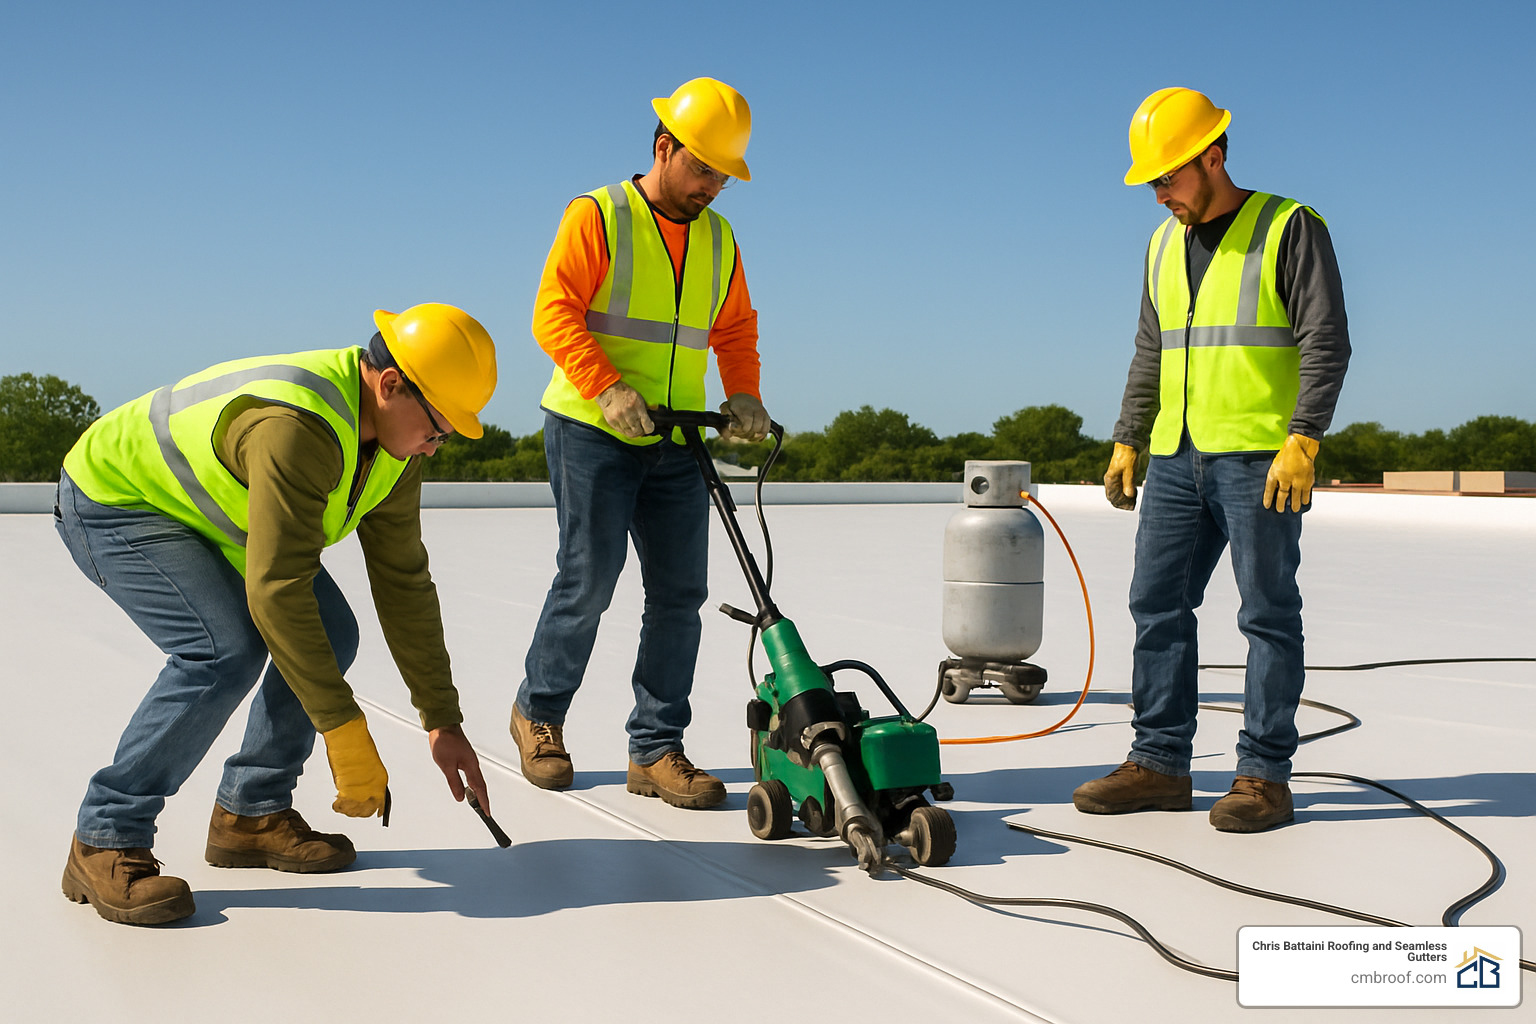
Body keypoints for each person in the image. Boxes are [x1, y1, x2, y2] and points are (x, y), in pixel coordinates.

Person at [56, 303, 500, 924]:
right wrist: (344, 730)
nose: (438, 444)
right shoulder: (297, 426)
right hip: (118, 500)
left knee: (332, 631)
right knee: (223, 649)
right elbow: (277, 592)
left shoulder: (397, 447)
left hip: (211, 516)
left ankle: (251, 814)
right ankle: (105, 834)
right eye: (439, 427)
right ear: (392, 385)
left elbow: (403, 582)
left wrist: (442, 718)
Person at [1072, 88, 1351, 833]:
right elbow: (1150, 348)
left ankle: (1264, 776)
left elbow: (1327, 341)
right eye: (1153, 183)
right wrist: (1130, 434)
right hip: (1174, 455)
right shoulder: (1162, 242)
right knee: (1156, 606)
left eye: (1169, 178)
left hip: (1260, 455)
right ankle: (1159, 763)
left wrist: (1304, 438)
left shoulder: (1289, 226)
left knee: (1266, 616)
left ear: (1213, 156)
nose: (1160, 195)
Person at [512, 77, 771, 809]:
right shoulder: (599, 215)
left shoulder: (719, 237)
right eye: (702, 169)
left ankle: (655, 749)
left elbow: (734, 327)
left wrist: (744, 390)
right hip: (593, 426)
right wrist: (605, 386)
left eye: (724, 174)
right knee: (588, 580)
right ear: (664, 148)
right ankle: (539, 715)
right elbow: (554, 311)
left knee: (680, 594)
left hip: (678, 435)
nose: (713, 187)